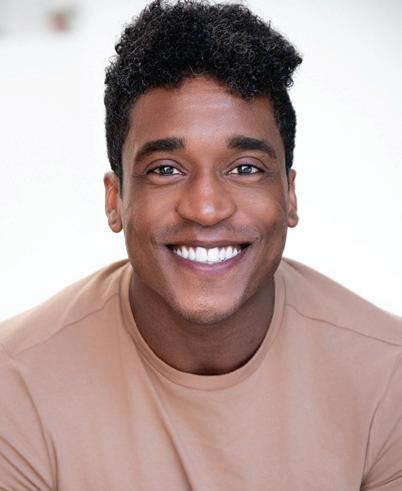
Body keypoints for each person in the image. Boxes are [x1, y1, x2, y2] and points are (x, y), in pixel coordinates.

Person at [0, 0, 401, 489]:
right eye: (166, 169)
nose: (206, 208)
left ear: (290, 195)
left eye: (245, 169)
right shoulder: (15, 385)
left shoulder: (388, 377)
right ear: (115, 200)